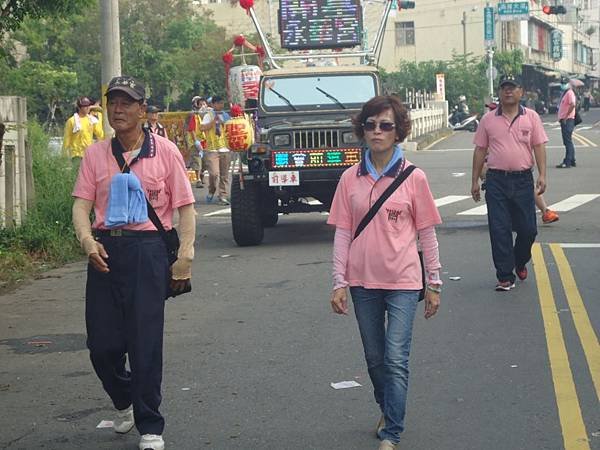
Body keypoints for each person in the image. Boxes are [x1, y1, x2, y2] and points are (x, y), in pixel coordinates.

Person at [71, 75, 196, 450]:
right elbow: (81, 205)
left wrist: (185, 256)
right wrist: (87, 242)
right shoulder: (96, 154)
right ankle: (124, 399)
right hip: (106, 250)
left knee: (145, 342)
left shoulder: (166, 152)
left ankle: (150, 424)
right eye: (114, 102)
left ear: (143, 109)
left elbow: (184, 208)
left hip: (149, 250)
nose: (119, 109)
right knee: (102, 346)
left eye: (127, 103)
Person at [328, 95, 442, 450]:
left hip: (405, 282)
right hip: (362, 283)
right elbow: (343, 232)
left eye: (386, 125)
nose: (377, 132)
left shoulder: (414, 178)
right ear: (362, 130)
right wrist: (339, 281)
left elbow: (427, 233)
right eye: (371, 125)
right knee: (375, 359)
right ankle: (387, 407)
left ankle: (392, 432)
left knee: (395, 358)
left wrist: (434, 282)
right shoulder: (350, 178)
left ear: (398, 132)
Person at [471, 74, 548, 291]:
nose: (508, 91)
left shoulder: (531, 117)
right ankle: (505, 276)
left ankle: (519, 260)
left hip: (523, 181)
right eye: (504, 88)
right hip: (496, 181)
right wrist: (475, 180)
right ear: (500, 92)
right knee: (499, 229)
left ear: (520, 92)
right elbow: (480, 150)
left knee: (528, 230)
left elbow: (539, 146)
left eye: (512, 88)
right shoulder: (488, 120)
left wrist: (542, 175)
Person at [198, 95, 231, 205]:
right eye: (218, 103)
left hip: (225, 148)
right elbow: (202, 128)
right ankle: (211, 190)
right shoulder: (208, 115)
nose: (220, 105)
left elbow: (230, 128)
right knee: (214, 173)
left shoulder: (226, 115)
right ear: (212, 104)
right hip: (212, 149)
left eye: (222, 103)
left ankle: (223, 196)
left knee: (224, 175)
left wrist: (224, 123)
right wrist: (213, 122)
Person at [62, 96, 104, 168]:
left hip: (89, 154)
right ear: (79, 107)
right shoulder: (72, 121)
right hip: (77, 155)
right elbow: (67, 139)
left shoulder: (91, 120)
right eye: (85, 106)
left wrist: (99, 115)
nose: (87, 108)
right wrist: (64, 156)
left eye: (88, 105)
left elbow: (100, 134)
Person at [187, 96, 211, 188]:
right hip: (195, 142)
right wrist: (196, 141)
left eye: (204, 104)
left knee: (205, 162)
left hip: (205, 141)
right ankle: (198, 180)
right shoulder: (194, 116)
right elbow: (192, 129)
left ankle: (201, 174)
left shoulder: (208, 116)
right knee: (197, 161)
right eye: (200, 104)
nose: (202, 106)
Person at [556, 77, 577, 168]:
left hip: (567, 120)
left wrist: (565, 116)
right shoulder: (565, 93)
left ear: (568, 83)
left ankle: (567, 162)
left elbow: (572, 104)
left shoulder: (570, 93)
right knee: (567, 141)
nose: (562, 84)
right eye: (562, 83)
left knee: (567, 141)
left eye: (564, 83)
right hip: (565, 120)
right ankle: (572, 160)